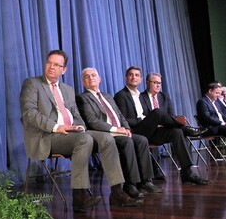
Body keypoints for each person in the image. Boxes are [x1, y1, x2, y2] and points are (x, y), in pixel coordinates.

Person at [20, 51, 141, 209]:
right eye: (49, 62)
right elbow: (29, 113)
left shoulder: (68, 89)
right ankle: (79, 196)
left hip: (72, 133)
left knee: (106, 138)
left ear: (64, 70)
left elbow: (76, 115)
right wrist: (57, 127)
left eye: (57, 65)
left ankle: (117, 193)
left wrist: (79, 127)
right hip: (47, 135)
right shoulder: (32, 83)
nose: (51, 67)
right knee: (85, 139)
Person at [76, 68, 162, 199]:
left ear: (99, 79)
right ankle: (130, 184)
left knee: (141, 140)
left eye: (94, 75)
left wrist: (127, 128)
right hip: (105, 135)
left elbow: (120, 115)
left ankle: (145, 181)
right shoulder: (82, 98)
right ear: (83, 82)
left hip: (120, 131)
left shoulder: (107, 96)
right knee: (127, 142)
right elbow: (92, 121)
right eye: (87, 77)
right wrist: (116, 130)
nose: (91, 78)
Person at [114, 67, 209, 185]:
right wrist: (144, 120)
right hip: (136, 132)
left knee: (177, 132)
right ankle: (185, 129)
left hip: (152, 131)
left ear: (141, 79)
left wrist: (152, 121)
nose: (134, 77)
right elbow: (122, 120)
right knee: (157, 112)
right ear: (126, 77)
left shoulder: (139, 95)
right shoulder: (121, 95)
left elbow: (167, 115)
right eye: (131, 75)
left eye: (137, 75)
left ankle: (187, 173)